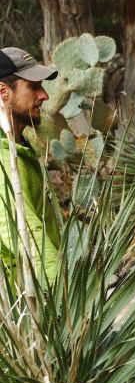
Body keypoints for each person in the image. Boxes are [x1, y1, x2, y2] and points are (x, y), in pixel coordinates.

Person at [0, 47, 60, 283]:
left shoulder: (18, 146)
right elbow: (26, 234)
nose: (43, 95)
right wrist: (69, 300)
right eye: (33, 86)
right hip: (23, 307)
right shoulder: (4, 158)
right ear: (4, 91)